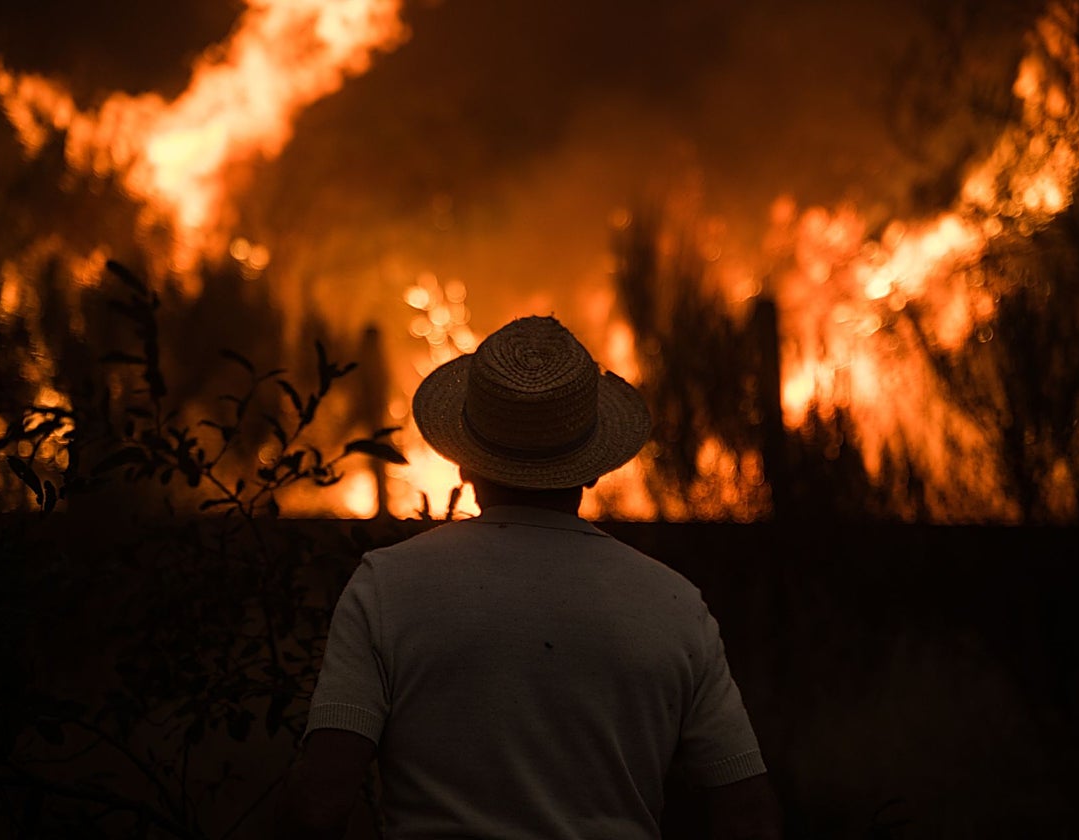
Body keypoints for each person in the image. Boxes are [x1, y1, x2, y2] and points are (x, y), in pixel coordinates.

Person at [277, 316, 781, 839]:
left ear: (465, 464)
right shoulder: (675, 604)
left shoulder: (386, 586)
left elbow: (320, 802)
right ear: (593, 469)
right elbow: (746, 812)